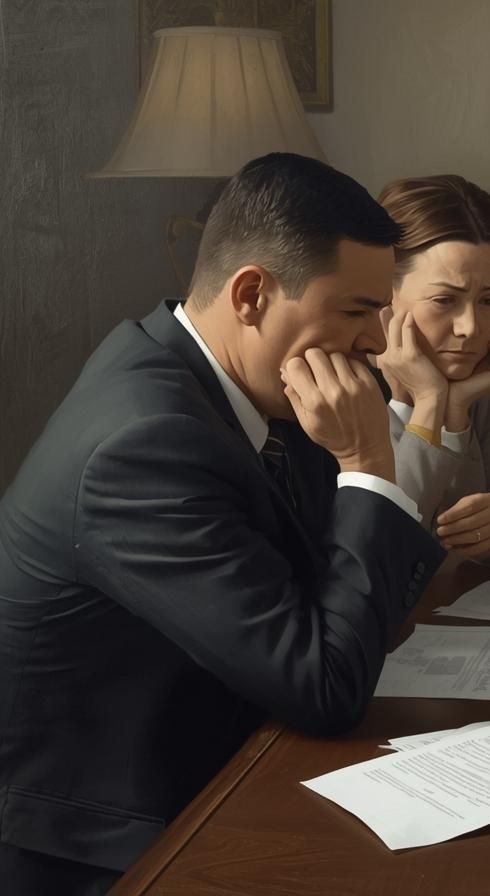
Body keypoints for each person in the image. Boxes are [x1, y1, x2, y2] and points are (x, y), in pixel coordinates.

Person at [0, 153, 445, 895]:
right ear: (251, 295)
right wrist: (369, 461)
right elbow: (326, 685)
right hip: (109, 844)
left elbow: (355, 616)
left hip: (232, 756)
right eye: (357, 310)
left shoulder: (254, 384)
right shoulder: (144, 443)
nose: (376, 342)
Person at [374, 175, 490, 562]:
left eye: (488, 301)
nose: (469, 328)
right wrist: (429, 402)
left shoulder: (483, 378)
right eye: (444, 300)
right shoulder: (340, 381)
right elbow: (384, 543)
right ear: (385, 293)